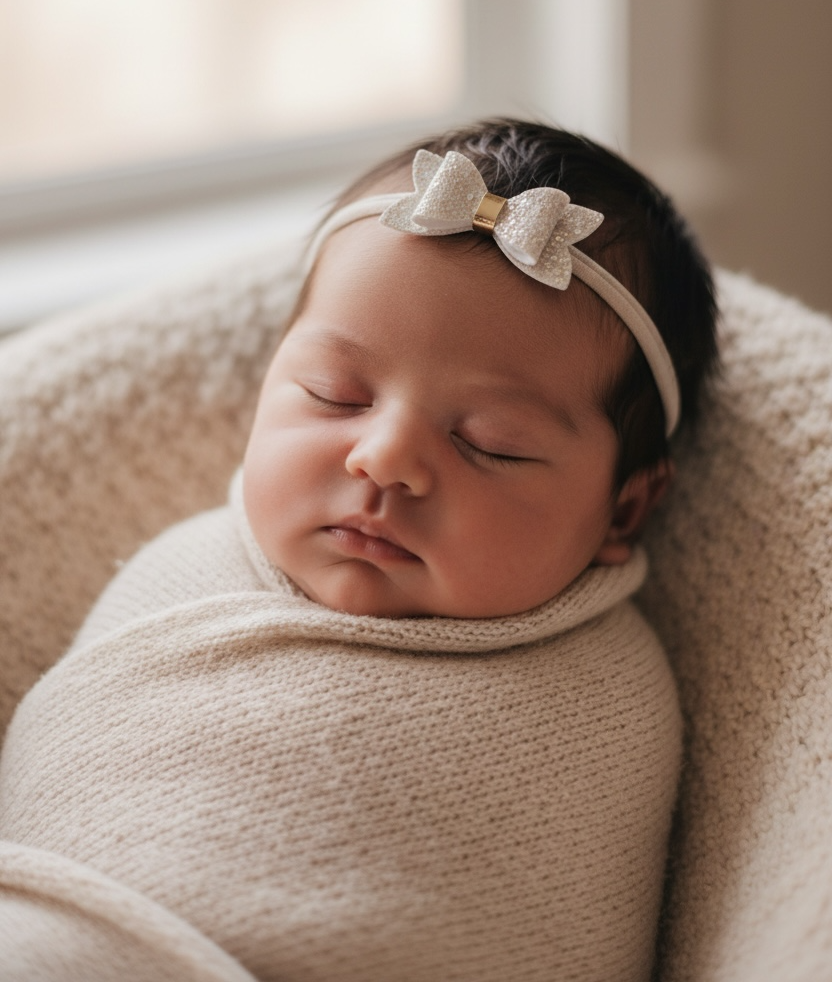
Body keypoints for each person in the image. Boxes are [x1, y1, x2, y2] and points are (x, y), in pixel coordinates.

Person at [0, 119, 718, 982]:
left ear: (623, 510)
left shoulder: (608, 698)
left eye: (491, 443)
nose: (383, 459)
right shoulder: (187, 566)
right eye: (334, 395)